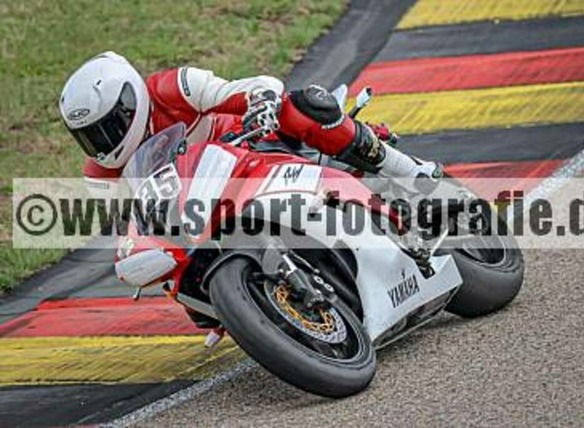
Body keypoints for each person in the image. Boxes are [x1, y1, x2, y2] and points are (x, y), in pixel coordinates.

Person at [58, 51, 441, 344]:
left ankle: (408, 169)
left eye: (108, 127)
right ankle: (257, 307)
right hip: (197, 214)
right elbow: (135, 225)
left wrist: (260, 103)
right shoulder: (100, 175)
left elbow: (253, 87)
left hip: (250, 152)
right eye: (89, 136)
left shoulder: (173, 87)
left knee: (303, 106)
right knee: (178, 282)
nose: (101, 143)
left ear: (129, 104)